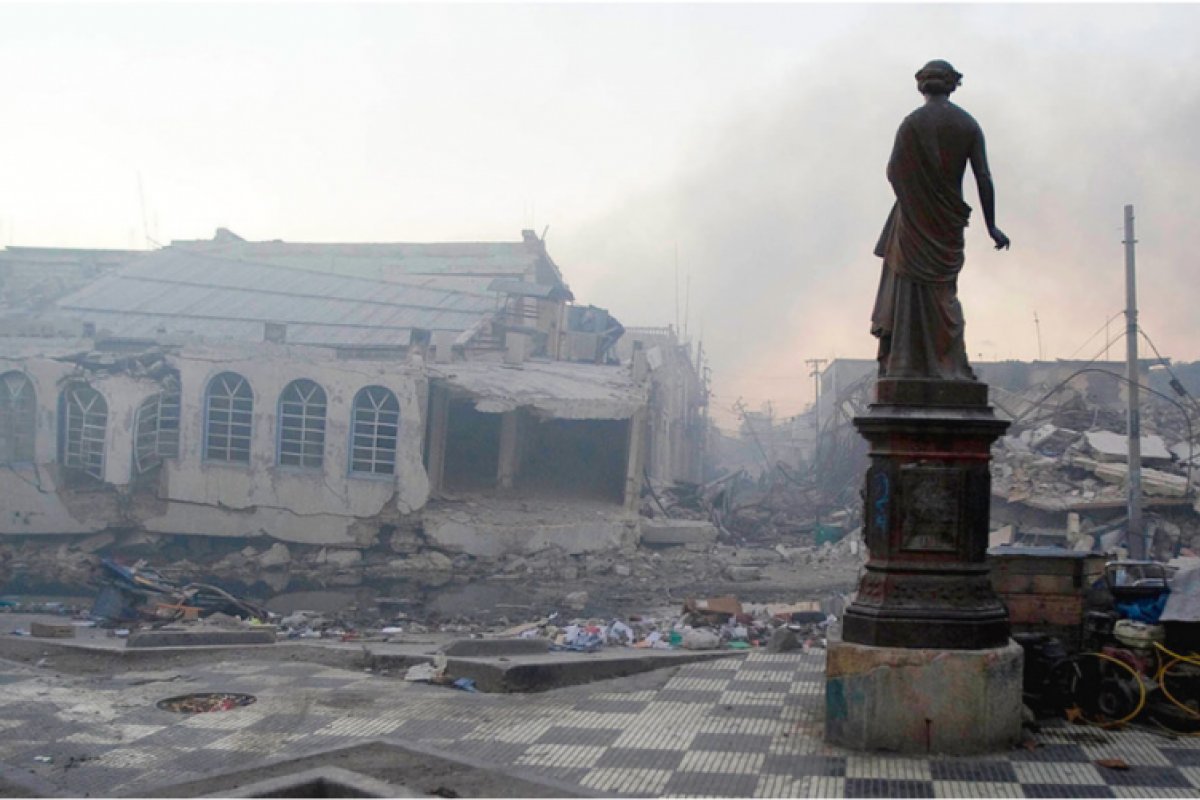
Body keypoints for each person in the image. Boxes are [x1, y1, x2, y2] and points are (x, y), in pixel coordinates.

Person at [870, 60, 1010, 380]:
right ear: (952, 85)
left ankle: (907, 364)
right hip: (946, 221)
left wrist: (915, 201)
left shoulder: (912, 123)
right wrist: (991, 225)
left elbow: (894, 171)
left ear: (922, 86)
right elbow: (983, 177)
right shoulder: (967, 125)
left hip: (915, 221)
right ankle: (949, 364)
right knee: (943, 295)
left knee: (909, 294)